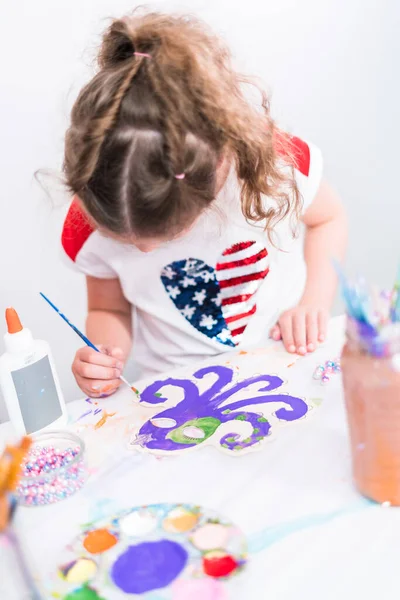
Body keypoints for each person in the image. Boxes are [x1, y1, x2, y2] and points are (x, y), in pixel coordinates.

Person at [61, 10, 347, 398]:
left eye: (165, 234)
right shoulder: (98, 208)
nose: (144, 250)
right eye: (124, 240)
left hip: (287, 359)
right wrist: (106, 356)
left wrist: (313, 302)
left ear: (215, 169)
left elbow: (329, 219)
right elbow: (108, 309)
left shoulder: (272, 165)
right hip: (180, 391)